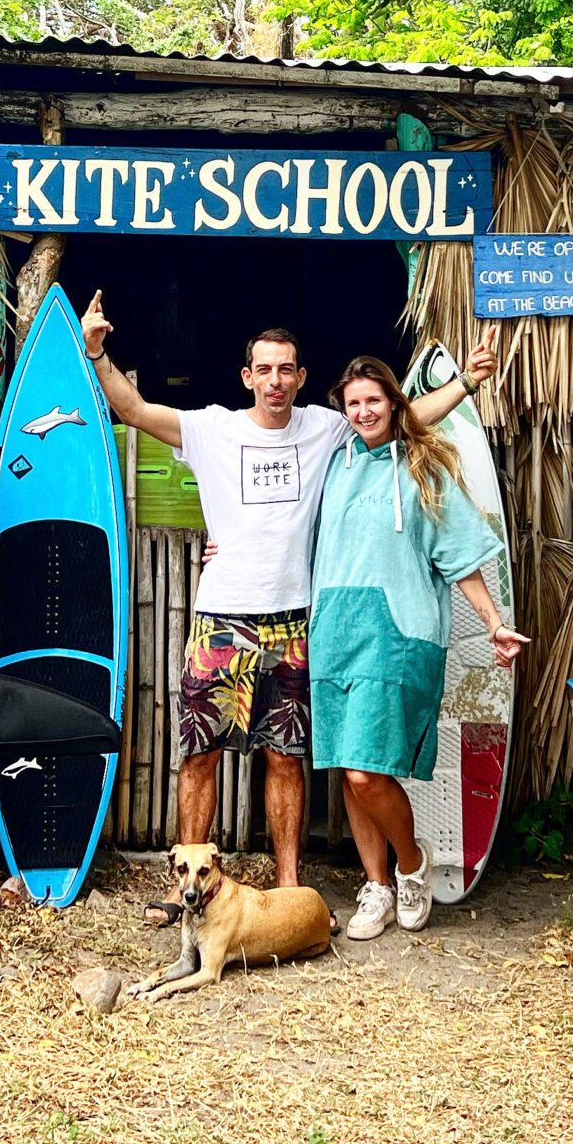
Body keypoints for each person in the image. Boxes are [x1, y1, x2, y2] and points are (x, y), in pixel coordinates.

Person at [81, 294, 496, 892]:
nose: (275, 381)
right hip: (220, 617)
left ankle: (288, 887)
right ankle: (187, 885)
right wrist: (98, 353)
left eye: (286, 370)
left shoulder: (326, 429)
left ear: (301, 378)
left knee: (285, 757)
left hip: (295, 621)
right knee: (199, 754)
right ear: (247, 376)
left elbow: (402, 414)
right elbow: (135, 409)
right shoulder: (212, 429)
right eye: (264, 369)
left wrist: (464, 385)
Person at [311, 354, 526, 939]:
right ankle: (376, 886)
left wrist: (493, 621)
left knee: (363, 770)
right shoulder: (333, 465)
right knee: (350, 764)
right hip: (335, 630)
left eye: (374, 401)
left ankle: (411, 867)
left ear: (394, 404)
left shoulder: (423, 470)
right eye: (353, 403)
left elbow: (460, 555)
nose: (363, 412)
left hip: (398, 633)